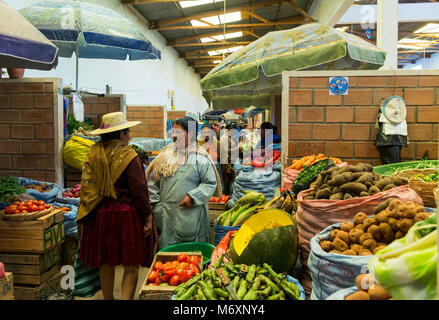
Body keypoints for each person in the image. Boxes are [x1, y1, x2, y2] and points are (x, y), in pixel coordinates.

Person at [76, 112, 157, 300]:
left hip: (99, 215)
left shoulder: (93, 154)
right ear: (121, 134)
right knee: (131, 265)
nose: (130, 136)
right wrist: (147, 216)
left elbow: (86, 188)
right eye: (128, 132)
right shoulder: (129, 155)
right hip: (125, 216)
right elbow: (139, 189)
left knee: (106, 262)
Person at [146, 116, 222, 249]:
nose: (174, 136)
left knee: (192, 254)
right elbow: (151, 182)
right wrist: (156, 205)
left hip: (191, 215)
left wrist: (193, 197)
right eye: (173, 132)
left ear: (191, 134)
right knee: (168, 255)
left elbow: (210, 183)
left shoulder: (199, 157)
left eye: (178, 132)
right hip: (165, 216)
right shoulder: (165, 155)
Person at [199, 124, 224, 191]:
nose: (206, 134)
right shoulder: (199, 145)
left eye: (208, 132)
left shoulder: (218, 144)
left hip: (217, 176)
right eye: (204, 132)